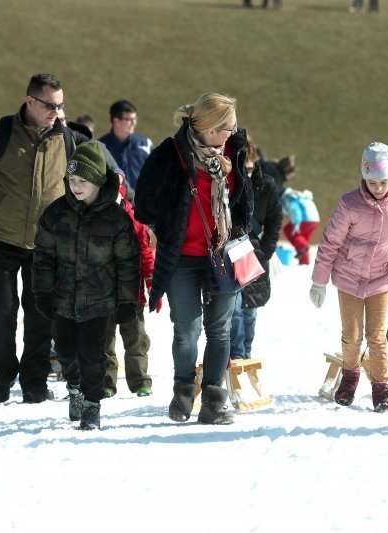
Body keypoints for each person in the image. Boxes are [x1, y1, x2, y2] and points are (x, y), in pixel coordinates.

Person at [134, 92, 254, 425]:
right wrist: (167, 226)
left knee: (220, 331)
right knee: (186, 331)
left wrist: (240, 225)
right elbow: (143, 201)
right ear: (210, 128)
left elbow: (246, 193)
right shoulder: (170, 155)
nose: (232, 132)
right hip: (183, 258)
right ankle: (184, 391)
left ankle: (214, 400)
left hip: (224, 255)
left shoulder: (234, 149)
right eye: (227, 127)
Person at [0, 73, 77, 404]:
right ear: (30, 102)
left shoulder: (66, 141)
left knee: (40, 313)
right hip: (1, 238)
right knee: (2, 312)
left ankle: (34, 380)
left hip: (45, 244)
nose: (57, 111)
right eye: (51, 105)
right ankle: (3, 373)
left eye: (61, 105)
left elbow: (79, 188)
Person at [33, 141, 140, 430]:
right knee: (66, 352)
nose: (76, 186)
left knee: (94, 355)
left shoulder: (117, 219)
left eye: (83, 181)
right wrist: (42, 291)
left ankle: (92, 405)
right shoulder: (56, 214)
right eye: (72, 180)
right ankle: (76, 387)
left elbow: (128, 262)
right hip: (63, 299)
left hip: (100, 301)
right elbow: (43, 257)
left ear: (98, 181)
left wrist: (129, 301)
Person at [309, 142, 388, 412]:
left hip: (381, 279)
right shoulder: (349, 203)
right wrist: (319, 281)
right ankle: (349, 378)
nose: (378, 188)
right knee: (351, 335)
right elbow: (330, 243)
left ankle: (381, 388)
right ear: (363, 177)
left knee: (377, 336)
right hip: (348, 278)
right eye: (372, 182)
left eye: (383, 182)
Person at [103, 167, 157, 399]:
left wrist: (151, 281)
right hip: (102, 292)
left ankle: (140, 381)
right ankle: (106, 382)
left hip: (131, 293)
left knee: (136, 340)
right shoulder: (93, 217)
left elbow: (146, 252)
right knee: (103, 342)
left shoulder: (134, 218)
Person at [229, 136, 282, 361]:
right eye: (243, 169)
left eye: (250, 169)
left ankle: (247, 354)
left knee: (250, 309)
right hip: (231, 251)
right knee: (235, 310)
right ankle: (237, 356)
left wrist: (267, 251)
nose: (247, 174)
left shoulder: (266, 184)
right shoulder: (228, 183)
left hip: (256, 253)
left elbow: (275, 220)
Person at [99, 100, 154, 195]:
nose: (134, 123)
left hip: (142, 204)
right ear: (116, 121)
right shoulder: (101, 147)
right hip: (113, 204)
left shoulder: (146, 144)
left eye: (135, 119)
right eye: (129, 119)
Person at [281, 187, 320, 265]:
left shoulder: (289, 197)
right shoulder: (300, 196)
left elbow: (294, 210)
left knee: (289, 231)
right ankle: (304, 262)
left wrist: (296, 223)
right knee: (302, 239)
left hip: (305, 219)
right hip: (315, 220)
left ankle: (304, 247)